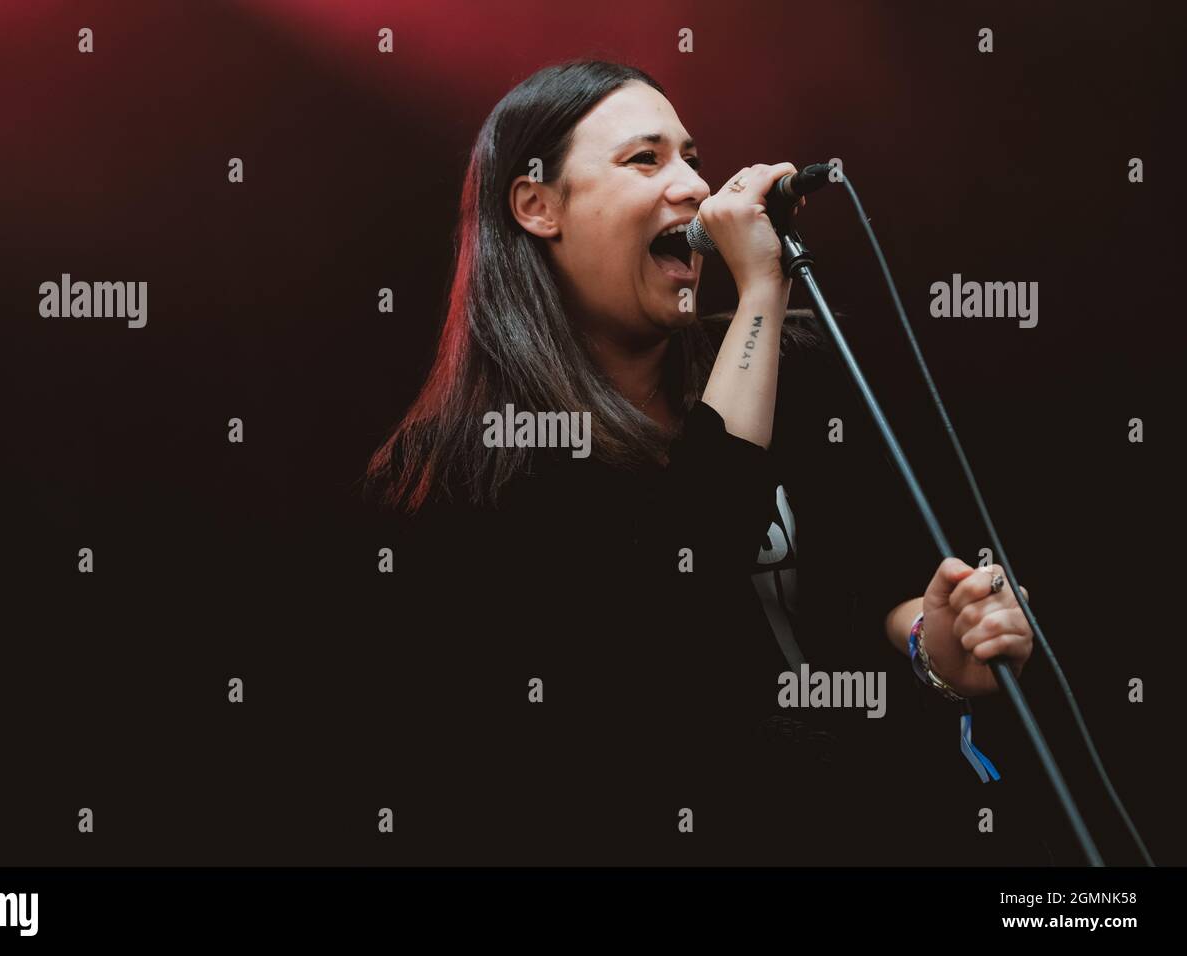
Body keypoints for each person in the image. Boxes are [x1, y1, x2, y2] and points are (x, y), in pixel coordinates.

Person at [363, 59, 1038, 865]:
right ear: (538, 205)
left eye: (690, 156)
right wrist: (761, 292)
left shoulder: (796, 365)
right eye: (646, 159)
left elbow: (879, 584)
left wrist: (936, 645)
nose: (692, 186)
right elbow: (676, 594)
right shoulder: (474, 462)